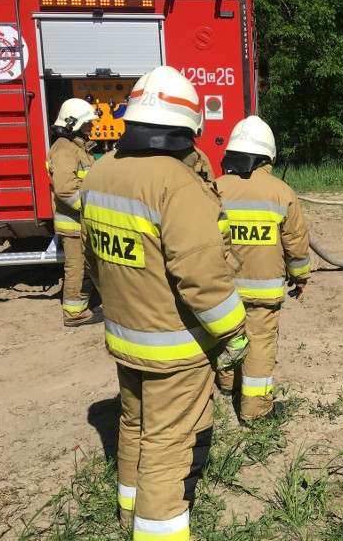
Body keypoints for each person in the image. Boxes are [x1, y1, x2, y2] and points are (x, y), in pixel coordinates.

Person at [80, 66, 248, 538]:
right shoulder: (177, 185)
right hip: (177, 352)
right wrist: (234, 332)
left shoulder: (100, 172)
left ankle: (127, 512)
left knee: (133, 427)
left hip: (125, 337)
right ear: (185, 129)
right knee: (168, 448)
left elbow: (94, 260)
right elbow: (202, 277)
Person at [215, 116, 311, 422]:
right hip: (263, 292)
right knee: (260, 346)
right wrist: (300, 278)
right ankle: (256, 410)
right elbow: (296, 246)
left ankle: (228, 384)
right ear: (267, 156)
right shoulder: (281, 192)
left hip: (221, 290)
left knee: (228, 335)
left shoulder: (212, 189)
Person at [47, 98, 102, 327]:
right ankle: (75, 314)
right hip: (74, 224)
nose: (91, 126)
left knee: (90, 265)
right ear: (73, 123)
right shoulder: (65, 149)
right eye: (87, 123)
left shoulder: (77, 147)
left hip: (81, 222)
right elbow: (65, 188)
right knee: (77, 268)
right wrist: (92, 208)